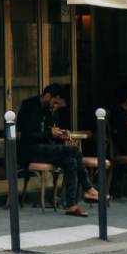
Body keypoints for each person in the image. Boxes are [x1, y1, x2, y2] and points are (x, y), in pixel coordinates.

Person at [17, 83, 99, 217]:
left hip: (43, 149)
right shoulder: (29, 106)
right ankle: (88, 188)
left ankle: (71, 205)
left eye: (57, 104)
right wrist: (50, 133)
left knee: (70, 161)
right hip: (29, 151)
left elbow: (48, 133)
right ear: (47, 96)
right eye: (54, 102)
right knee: (75, 151)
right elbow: (27, 135)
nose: (54, 106)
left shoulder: (49, 110)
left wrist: (59, 134)